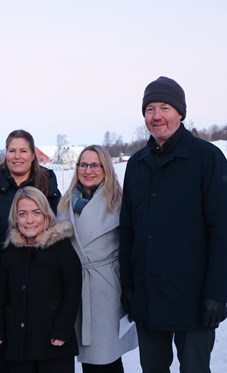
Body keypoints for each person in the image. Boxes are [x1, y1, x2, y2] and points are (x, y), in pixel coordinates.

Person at [118, 76, 227, 373]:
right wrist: (128, 285)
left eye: (165, 107)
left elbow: (224, 234)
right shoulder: (137, 164)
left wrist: (217, 294)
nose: (157, 116)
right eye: (150, 109)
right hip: (149, 297)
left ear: (180, 113)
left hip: (194, 299)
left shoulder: (206, 158)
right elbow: (128, 230)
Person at [0, 129, 61, 373]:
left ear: (32, 154)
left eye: (23, 150)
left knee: (40, 354)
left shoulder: (50, 189)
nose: (17, 156)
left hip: (41, 285)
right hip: (3, 287)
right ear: (5, 154)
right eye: (12, 150)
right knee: (3, 354)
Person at [57, 145, 138, 373]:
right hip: (73, 288)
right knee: (76, 357)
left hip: (105, 290)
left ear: (105, 169)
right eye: (83, 164)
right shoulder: (65, 203)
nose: (88, 170)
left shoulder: (119, 202)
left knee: (106, 359)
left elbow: (130, 248)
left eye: (95, 165)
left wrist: (129, 288)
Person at [0, 186, 82, 373]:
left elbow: (72, 292)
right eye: (23, 214)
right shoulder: (11, 251)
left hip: (53, 343)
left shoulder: (61, 248)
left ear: (46, 215)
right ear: (15, 218)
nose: (29, 220)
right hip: (20, 342)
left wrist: (62, 329)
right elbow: (1, 293)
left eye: (36, 213)